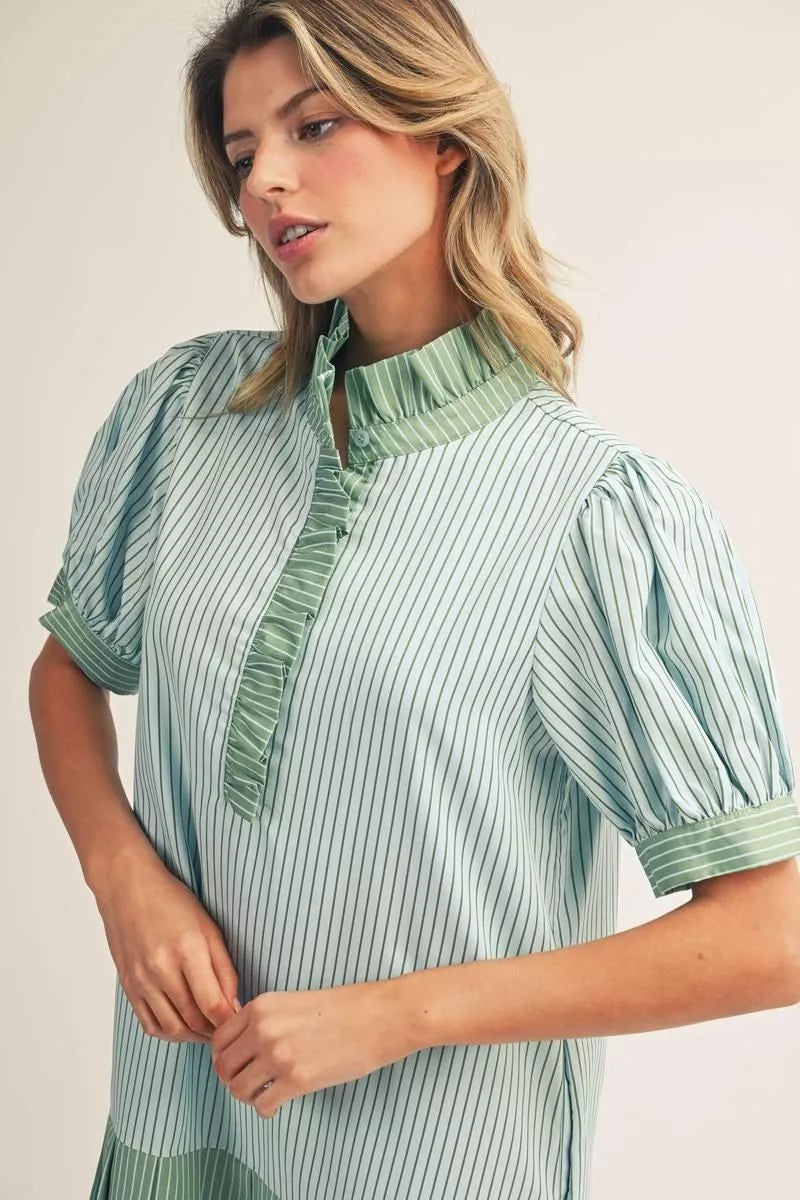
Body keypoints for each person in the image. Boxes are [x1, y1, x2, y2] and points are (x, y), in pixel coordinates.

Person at [29, 2, 800, 1198]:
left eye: (313, 126)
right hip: (178, 1136)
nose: (265, 182)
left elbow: (772, 930)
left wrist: (398, 1013)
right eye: (241, 153)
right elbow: (68, 669)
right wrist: (120, 875)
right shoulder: (188, 416)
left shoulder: (592, 511)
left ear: (442, 135)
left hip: (432, 1163)